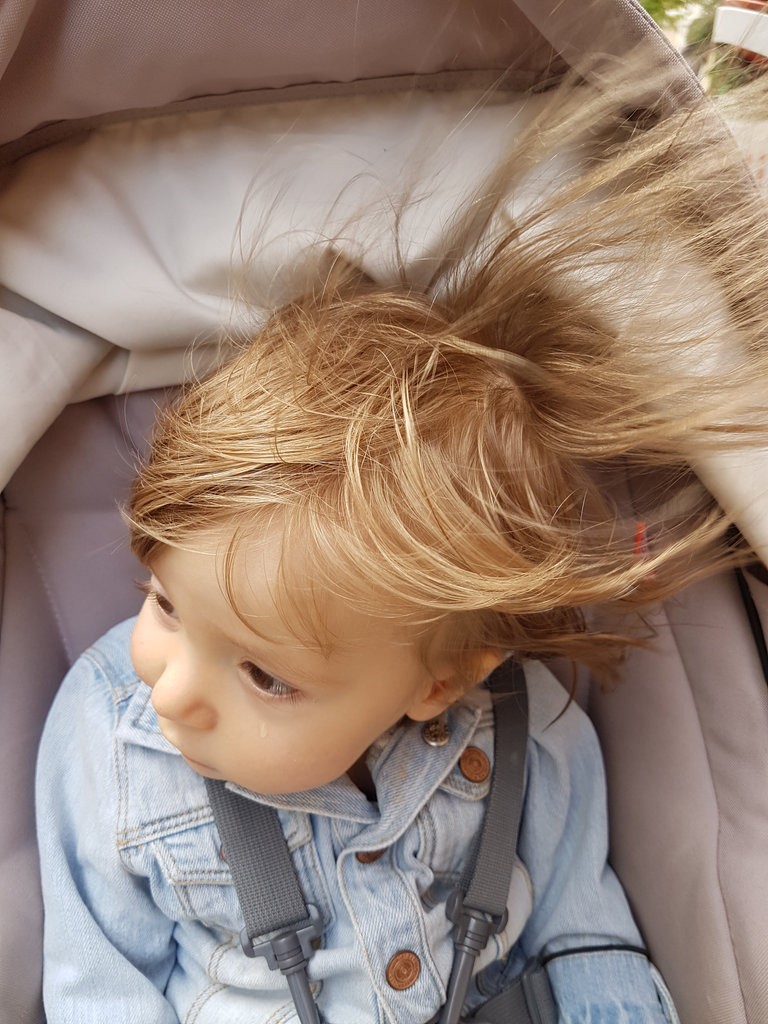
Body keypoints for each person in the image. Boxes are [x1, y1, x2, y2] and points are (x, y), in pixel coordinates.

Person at [35, 51, 768, 1024]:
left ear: (437, 682)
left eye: (264, 675)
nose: (169, 687)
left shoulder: (525, 732)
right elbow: (99, 984)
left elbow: (583, 932)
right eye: (164, 603)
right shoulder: (109, 733)